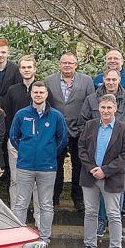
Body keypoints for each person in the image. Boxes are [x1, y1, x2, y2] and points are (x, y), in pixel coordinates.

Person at [80, 68, 125, 233]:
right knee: (98, 192)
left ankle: (115, 224)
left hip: (120, 156)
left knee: (117, 190)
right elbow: (83, 124)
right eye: (107, 79)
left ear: (119, 80)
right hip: (97, 156)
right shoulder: (92, 99)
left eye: (114, 80)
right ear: (103, 80)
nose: (110, 82)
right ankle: (101, 222)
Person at [73, 94, 125, 248]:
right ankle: (90, 247)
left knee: (113, 214)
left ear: (115, 109)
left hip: (111, 178)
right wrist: (92, 167)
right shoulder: (90, 125)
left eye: (109, 107)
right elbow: (82, 148)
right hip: (90, 176)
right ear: (98, 108)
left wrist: (105, 171)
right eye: (103, 107)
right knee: (90, 213)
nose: (106, 111)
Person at [8, 81, 68, 248]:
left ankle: (44, 241)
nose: (38, 95)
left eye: (41, 92)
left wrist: (48, 153)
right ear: (31, 94)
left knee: (46, 205)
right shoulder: (22, 114)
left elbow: (62, 139)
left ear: (46, 94)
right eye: (36, 92)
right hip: (25, 166)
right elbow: (14, 137)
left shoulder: (56, 116)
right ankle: (18, 240)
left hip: (47, 168)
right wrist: (25, 152)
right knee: (20, 203)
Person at [45, 52, 96, 209]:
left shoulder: (86, 81)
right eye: (64, 63)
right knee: (56, 165)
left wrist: (85, 127)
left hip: (79, 131)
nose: (67, 65)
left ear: (76, 65)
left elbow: (91, 105)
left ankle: (78, 197)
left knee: (79, 165)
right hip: (56, 131)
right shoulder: (49, 80)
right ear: (59, 64)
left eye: (70, 63)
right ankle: (54, 196)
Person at [4, 55, 38, 204]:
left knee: (37, 183)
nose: (26, 70)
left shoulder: (41, 89)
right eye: (23, 67)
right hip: (16, 143)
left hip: (37, 144)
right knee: (15, 179)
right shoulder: (12, 90)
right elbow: (9, 117)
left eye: (29, 67)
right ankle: (15, 216)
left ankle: (39, 219)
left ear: (35, 69)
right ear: (19, 70)